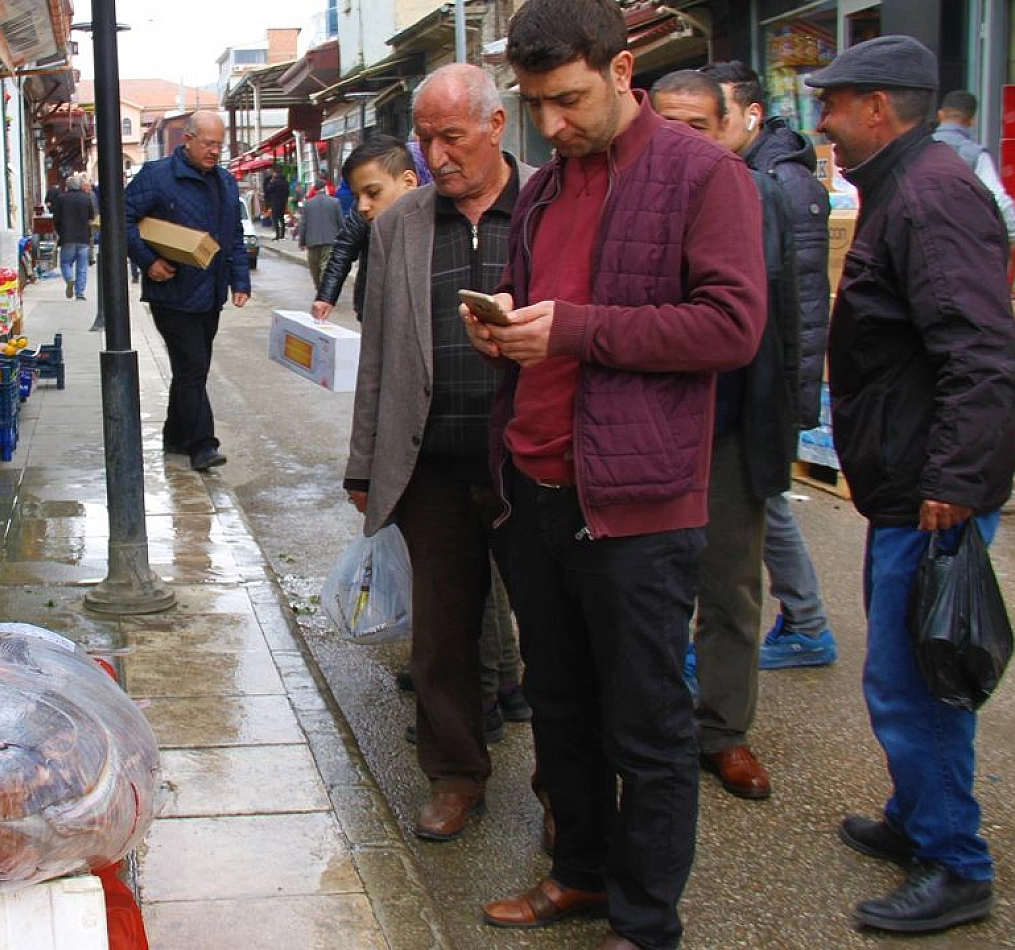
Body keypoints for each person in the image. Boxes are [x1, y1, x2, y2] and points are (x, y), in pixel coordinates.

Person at [468, 2, 766, 946]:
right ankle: (582, 875)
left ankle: (645, 920)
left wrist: (575, 328)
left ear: (622, 68)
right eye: (535, 105)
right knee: (560, 710)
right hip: (539, 488)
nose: (550, 126)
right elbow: (548, 319)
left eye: (567, 100)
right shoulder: (550, 187)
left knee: (648, 728)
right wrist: (507, 332)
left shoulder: (704, 176)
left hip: (638, 505)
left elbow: (732, 327)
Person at [807, 35, 1015, 935]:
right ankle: (917, 818)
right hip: (908, 482)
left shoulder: (930, 197)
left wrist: (956, 481)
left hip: (931, 491)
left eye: (834, 103)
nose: (821, 121)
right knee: (902, 669)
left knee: (918, 679)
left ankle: (954, 862)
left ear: (879, 108)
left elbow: (981, 351)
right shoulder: (906, 188)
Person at [344, 62, 534, 844]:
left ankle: (568, 789)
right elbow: (380, 358)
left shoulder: (550, 206)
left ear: (495, 125)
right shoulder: (399, 226)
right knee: (442, 641)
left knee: (557, 637)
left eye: (451, 136)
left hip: (532, 462)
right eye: (425, 138)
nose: (436, 154)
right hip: (434, 465)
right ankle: (455, 775)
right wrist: (363, 465)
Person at [651, 69, 801, 803]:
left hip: (734, 425)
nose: (682, 141)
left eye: (698, 127)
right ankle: (653, 727)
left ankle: (724, 731)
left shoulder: (761, 196)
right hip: (648, 429)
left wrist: (791, 421)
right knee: (648, 588)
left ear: (728, 131)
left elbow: (795, 315)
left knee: (733, 588)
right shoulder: (627, 196)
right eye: (668, 124)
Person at [699, 59, 838, 671]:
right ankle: (804, 622)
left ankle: (807, 625)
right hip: (757, 384)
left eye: (711, 116)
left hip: (761, 386)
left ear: (747, 115)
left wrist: (790, 400)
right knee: (763, 508)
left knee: (762, 507)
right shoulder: (753, 173)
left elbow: (798, 305)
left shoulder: (776, 184)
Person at [125, 110, 251, 472]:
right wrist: (148, 261)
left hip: (210, 295)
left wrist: (239, 281)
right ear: (189, 139)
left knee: (191, 369)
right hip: (172, 292)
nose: (215, 151)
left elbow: (233, 238)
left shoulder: (226, 182)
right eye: (209, 143)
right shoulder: (157, 176)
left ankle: (175, 435)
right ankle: (202, 445)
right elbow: (121, 217)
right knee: (193, 365)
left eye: (220, 145)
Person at [312, 135, 428, 323]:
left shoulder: (436, 220)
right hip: (373, 314)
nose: (363, 206)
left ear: (409, 182)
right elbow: (343, 249)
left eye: (373, 193)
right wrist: (326, 296)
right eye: (357, 196)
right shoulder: (362, 216)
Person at [934, 90, 1015, 243]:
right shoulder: (975, 155)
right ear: (972, 121)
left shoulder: (917, 149)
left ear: (940, 115)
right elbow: (999, 201)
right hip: (961, 246)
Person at [53, 173, 96, 302]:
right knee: (82, 266)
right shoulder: (86, 198)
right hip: (83, 237)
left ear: (67, 186)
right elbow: (91, 217)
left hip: (67, 237)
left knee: (65, 262)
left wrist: (60, 232)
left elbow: (56, 219)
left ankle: (69, 279)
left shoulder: (61, 199)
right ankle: (80, 293)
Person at [297, 180, 344, 291]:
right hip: (330, 240)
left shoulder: (307, 204)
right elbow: (341, 222)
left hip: (312, 242)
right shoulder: (335, 202)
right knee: (325, 266)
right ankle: (324, 290)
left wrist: (301, 242)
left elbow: (303, 224)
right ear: (325, 188)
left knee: (315, 268)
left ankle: (320, 288)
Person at [263, 168, 290, 240]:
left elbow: (268, 190)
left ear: (276, 173)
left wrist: (270, 182)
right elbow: (287, 193)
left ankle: (278, 235)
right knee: (281, 219)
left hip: (275, 203)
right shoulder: (285, 182)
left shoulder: (274, 182)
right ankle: (282, 234)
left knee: (275, 219)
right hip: (283, 203)